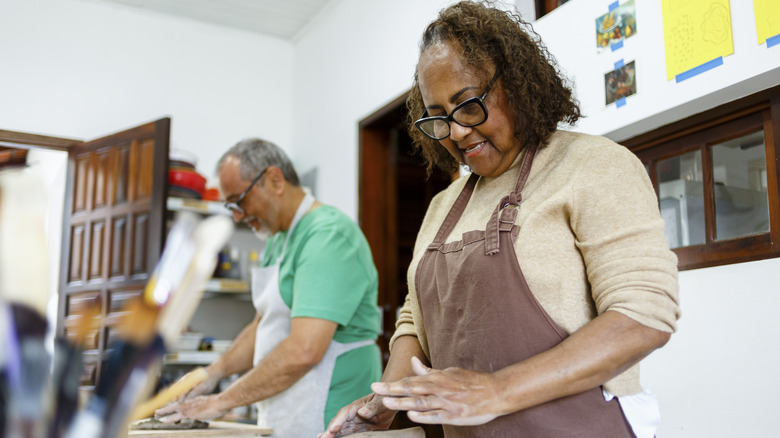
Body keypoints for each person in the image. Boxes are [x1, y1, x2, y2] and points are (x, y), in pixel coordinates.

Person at [320, 2, 680, 437]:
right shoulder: (444, 205)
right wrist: (387, 401)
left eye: (468, 105)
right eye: (439, 117)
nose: (456, 131)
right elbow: (416, 319)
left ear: (515, 84)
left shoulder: (594, 165)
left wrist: (495, 390)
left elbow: (643, 316)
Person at [156, 138, 383, 437]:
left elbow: (304, 350)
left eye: (239, 201)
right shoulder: (278, 239)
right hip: (288, 411)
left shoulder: (328, 235)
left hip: (330, 416)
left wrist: (219, 402)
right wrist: (212, 373)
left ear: (275, 180)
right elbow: (263, 326)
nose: (237, 216)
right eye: (231, 206)